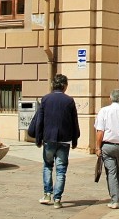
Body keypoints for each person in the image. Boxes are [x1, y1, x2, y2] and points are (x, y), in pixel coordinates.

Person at [28, 74, 80, 209]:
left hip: (49, 139)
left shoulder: (46, 99)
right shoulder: (69, 101)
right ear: (65, 86)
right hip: (64, 139)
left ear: (53, 85)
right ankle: (57, 199)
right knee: (61, 170)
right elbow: (74, 122)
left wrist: (38, 139)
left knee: (47, 166)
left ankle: (47, 194)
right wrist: (75, 139)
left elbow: (40, 121)